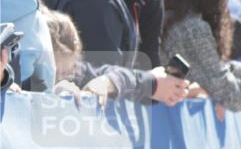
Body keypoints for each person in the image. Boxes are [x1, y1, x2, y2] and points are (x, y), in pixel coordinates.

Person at [46, 9, 187, 105]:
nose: (59, 78)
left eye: (65, 73)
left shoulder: (76, 70)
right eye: (52, 71)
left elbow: (117, 75)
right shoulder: (25, 76)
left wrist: (106, 82)